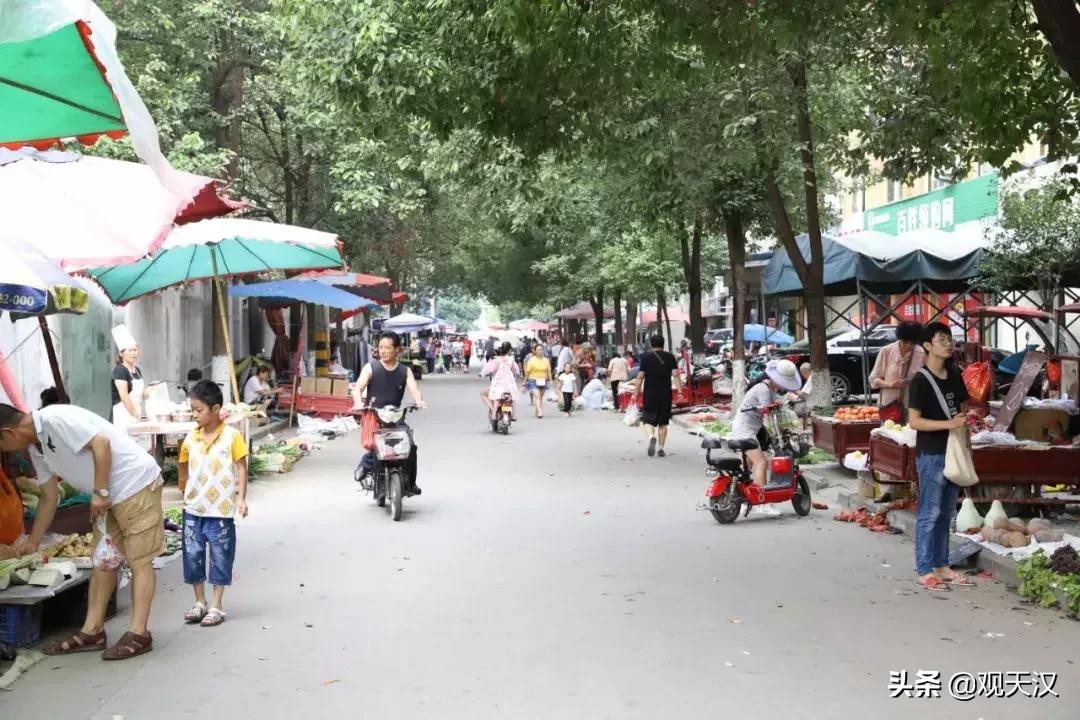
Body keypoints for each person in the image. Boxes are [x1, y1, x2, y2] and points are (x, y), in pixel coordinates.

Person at [0, 402, 163, 660]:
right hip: (108, 497)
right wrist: (33, 541)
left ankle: (139, 633)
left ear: (8, 433)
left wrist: (100, 491)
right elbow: (49, 497)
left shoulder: (54, 419)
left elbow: (101, 444)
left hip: (134, 484)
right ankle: (92, 630)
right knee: (103, 560)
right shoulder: (36, 447)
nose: (5, 452)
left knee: (140, 559)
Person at [908, 323, 974, 592]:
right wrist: (948, 425)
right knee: (930, 512)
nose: (948, 344)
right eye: (942, 339)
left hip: (954, 451)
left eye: (950, 339)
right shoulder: (920, 380)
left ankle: (942, 566)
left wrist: (967, 443)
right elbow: (914, 421)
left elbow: (961, 411)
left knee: (947, 512)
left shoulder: (955, 374)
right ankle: (924, 570)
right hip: (932, 453)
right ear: (927, 345)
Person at [178, 381, 249, 627]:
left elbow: (241, 466)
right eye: (192, 410)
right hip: (193, 509)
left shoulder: (232, 437)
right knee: (193, 556)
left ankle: (217, 605)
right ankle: (199, 602)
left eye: (199, 410)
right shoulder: (191, 437)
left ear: (216, 409)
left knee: (221, 556)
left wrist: (241, 498)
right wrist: (183, 487)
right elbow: (182, 463)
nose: (194, 414)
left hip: (221, 511)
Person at [352, 332, 425, 493]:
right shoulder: (370, 367)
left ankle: (410, 482)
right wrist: (358, 402)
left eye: (387, 347)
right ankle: (365, 465)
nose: (383, 351)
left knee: (410, 446)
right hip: (374, 415)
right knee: (376, 445)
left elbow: (414, 390)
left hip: (395, 417)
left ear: (397, 349)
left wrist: (419, 401)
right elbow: (357, 388)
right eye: (380, 347)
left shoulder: (405, 371)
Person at [728, 359, 804, 516]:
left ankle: (743, 501)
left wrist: (784, 399)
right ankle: (762, 504)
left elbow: (771, 408)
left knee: (748, 465)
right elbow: (768, 413)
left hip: (747, 429)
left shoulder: (769, 388)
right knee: (760, 462)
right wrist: (777, 432)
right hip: (744, 430)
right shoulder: (763, 389)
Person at [869, 321, 925, 499]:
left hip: (914, 407)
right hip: (890, 406)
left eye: (913, 342)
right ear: (900, 339)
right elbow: (874, 379)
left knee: (913, 445)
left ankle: (913, 487)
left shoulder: (921, 353)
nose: (909, 346)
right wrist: (890, 384)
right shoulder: (886, 351)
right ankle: (887, 490)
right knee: (889, 444)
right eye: (906, 342)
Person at [633, 335, 683, 458]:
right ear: (663, 344)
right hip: (665, 394)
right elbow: (676, 375)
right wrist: (680, 391)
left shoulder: (646, 358)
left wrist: (635, 393)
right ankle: (661, 448)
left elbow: (640, 377)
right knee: (663, 423)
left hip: (650, 393)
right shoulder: (670, 357)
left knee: (647, 420)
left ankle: (651, 437)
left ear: (651, 344)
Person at [110, 325, 148, 449]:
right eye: (130, 350)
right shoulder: (119, 371)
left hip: (135, 417)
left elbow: (141, 394)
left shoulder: (137, 370)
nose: (133, 353)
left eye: (135, 349)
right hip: (123, 419)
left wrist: (149, 392)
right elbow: (124, 397)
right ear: (121, 354)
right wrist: (135, 414)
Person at [481, 342, 520, 417]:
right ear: (509, 350)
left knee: (496, 397)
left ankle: (494, 414)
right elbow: (516, 369)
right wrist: (517, 374)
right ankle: (514, 415)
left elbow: (490, 369)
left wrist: (483, 374)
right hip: (509, 382)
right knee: (512, 398)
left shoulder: (496, 359)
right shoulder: (511, 359)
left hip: (498, 382)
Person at [524, 343, 552, 418]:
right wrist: (525, 381)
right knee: (537, 396)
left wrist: (550, 379)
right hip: (533, 380)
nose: (540, 351)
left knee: (540, 397)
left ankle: (537, 410)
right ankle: (540, 412)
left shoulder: (546, 360)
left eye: (541, 350)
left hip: (543, 380)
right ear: (535, 351)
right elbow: (528, 372)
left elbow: (549, 370)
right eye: (538, 350)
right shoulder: (531, 360)